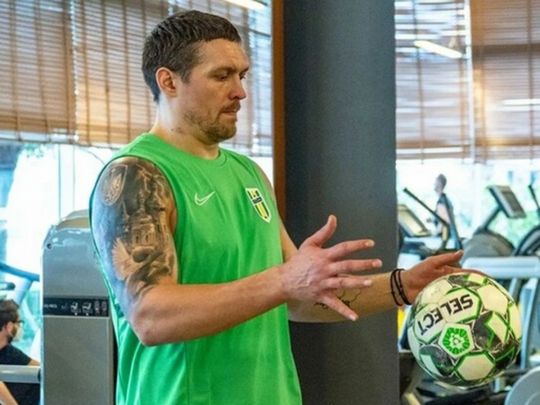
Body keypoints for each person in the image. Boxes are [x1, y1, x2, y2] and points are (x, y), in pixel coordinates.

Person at [89, 10, 468, 405]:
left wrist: (402, 286)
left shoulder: (248, 173)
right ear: (168, 81)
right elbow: (150, 317)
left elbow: (298, 297)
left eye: (242, 75)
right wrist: (283, 280)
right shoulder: (137, 175)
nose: (240, 92)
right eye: (222, 76)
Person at [0, 300, 39, 405]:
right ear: (9, 326)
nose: (20, 327)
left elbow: (38, 368)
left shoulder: (8, 351)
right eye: (19, 323)